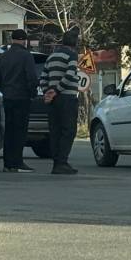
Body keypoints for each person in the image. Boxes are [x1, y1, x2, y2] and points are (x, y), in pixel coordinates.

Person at [0, 29, 39, 173]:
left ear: (12, 40)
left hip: (7, 97)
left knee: (9, 130)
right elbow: (31, 77)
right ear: (24, 40)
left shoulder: (3, 56)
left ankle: (8, 163)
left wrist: (3, 91)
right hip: (22, 97)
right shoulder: (26, 56)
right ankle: (17, 162)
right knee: (20, 131)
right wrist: (33, 93)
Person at [39, 26, 81, 175]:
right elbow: (70, 75)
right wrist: (56, 91)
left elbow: (43, 77)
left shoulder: (52, 56)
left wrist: (47, 93)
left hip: (53, 101)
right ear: (74, 43)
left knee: (55, 130)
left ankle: (57, 162)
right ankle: (62, 162)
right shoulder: (72, 55)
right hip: (67, 98)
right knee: (68, 130)